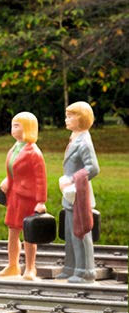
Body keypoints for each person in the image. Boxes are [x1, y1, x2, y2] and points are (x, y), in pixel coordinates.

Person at [0, 111, 47, 279]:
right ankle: (13, 265)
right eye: (12, 125)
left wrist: (41, 201)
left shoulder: (34, 152)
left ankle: (30, 268)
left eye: (16, 126)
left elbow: (41, 178)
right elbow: (13, 169)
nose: (13, 129)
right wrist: (7, 180)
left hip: (28, 197)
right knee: (13, 231)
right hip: (14, 196)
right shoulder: (15, 148)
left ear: (27, 128)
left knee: (29, 233)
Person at [61, 101, 100, 284]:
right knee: (69, 233)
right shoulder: (74, 137)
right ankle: (71, 267)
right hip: (70, 195)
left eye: (70, 116)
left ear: (81, 118)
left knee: (81, 232)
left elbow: (93, 168)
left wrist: (71, 179)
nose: (66, 119)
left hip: (80, 194)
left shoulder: (84, 141)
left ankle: (86, 271)